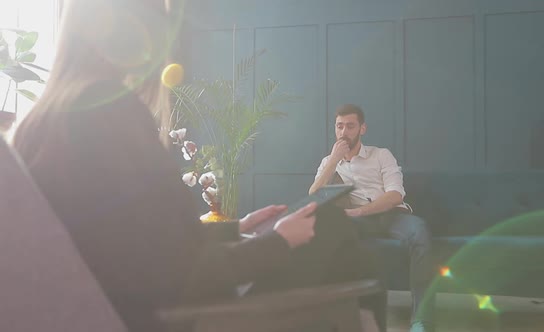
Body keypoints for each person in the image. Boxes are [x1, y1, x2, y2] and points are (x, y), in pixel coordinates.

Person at [11, 1, 379, 331]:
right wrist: (278, 242)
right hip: (177, 315)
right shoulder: (111, 113)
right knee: (328, 222)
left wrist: (235, 230)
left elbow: (127, 240)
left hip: (135, 299)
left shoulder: (39, 122)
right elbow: (179, 273)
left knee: (329, 233)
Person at [310, 104, 436, 332]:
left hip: (392, 215)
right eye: (339, 126)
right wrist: (333, 160)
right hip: (358, 223)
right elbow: (314, 196)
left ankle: (421, 319)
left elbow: (395, 194)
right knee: (328, 236)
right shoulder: (329, 162)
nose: (344, 132)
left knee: (421, 232)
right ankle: (336, 314)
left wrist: (358, 212)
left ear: (362, 128)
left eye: (350, 126)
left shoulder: (381, 155)